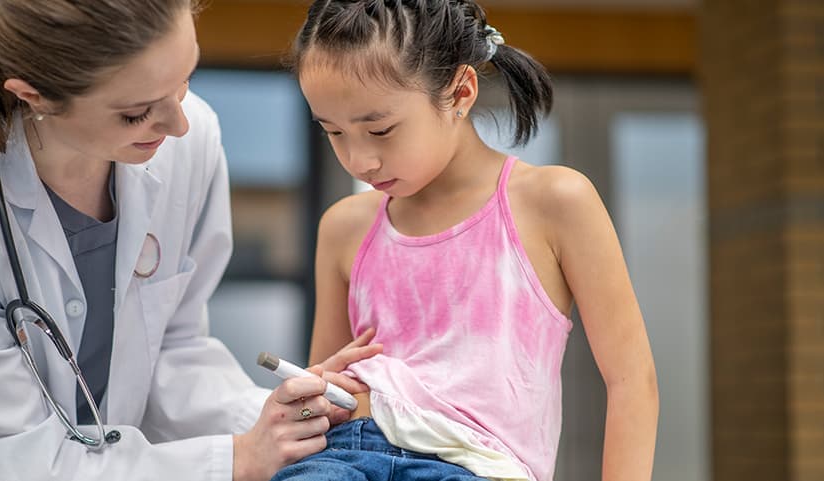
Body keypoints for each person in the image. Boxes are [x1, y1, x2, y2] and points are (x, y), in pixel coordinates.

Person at [0, 1, 381, 480]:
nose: (179, 124)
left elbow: (173, 351)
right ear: (35, 96)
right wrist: (240, 458)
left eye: (184, 81)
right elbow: (12, 460)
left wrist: (277, 423)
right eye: (136, 113)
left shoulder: (187, 144)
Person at [272, 1, 660, 481]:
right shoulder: (344, 226)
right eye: (333, 131)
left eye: (380, 129)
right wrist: (303, 398)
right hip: (344, 452)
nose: (359, 160)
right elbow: (318, 391)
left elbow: (631, 383)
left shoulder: (554, 202)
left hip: (475, 465)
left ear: (460, 93)